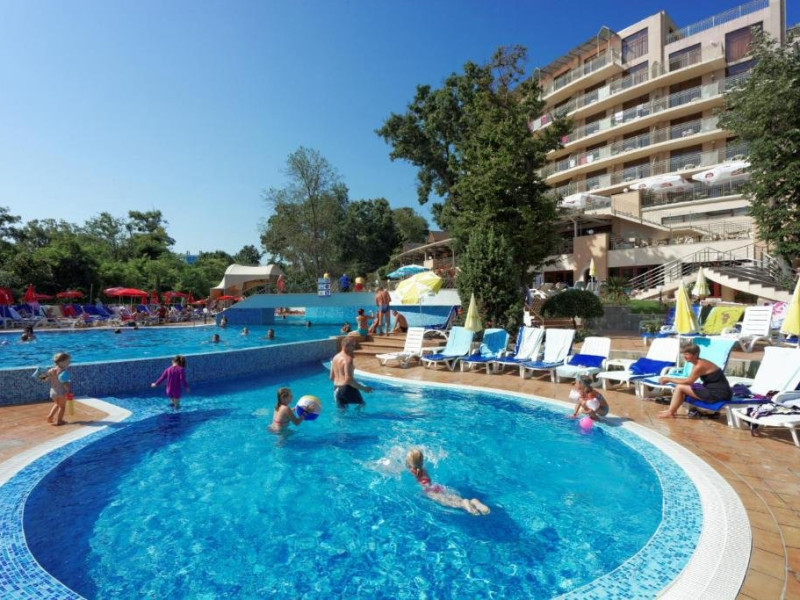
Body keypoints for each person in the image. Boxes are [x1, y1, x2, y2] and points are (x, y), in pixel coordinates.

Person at [657, 343, 732, 419]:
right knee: (684, 387)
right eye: (684, 354)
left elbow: (688, 381)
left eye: (687, 354)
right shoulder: (698, 363)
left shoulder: (699, 366)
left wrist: (668, 379)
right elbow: (689, 380)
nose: (684, 357)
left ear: (695, 355)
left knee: (680, 387)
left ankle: (670, 412)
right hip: (716, 391)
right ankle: (671, 411)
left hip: (718, 394)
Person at [406, 449, 490, 516]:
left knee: (449, 502)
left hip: (429, 490)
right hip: (436, 487)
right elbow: (419, 470)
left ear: (411, 463)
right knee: (454, 498)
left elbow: (417, 474)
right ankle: (473, 502)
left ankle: (464, 504)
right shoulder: (423, 469)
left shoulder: (415, 471)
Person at [330, 337, 372, 408]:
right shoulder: (348, 359)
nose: (354, 348)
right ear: (346, 346)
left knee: (342, 412)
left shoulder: (335, 358)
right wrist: (363, 388)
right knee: (362, 404)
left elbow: (331, 377)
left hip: (336, 389)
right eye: (352, 346)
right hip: (346, 388)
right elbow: (348, 380)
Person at [45, 352, 72, 426]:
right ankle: (59, 421)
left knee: (57, 404)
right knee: (62, 407)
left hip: (53, 391)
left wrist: (40, 375)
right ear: (61, 362)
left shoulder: (51, 370)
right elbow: (65, 384)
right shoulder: (63, 372)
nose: (69, 363)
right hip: (61, 392)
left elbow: (44, 378)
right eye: (68, 361)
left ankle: (50, 417)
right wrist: (69, 390)